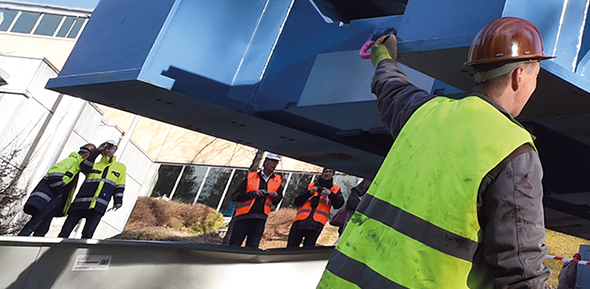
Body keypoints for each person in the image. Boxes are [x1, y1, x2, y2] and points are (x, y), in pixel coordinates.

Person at [318, 17, 553, 289]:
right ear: (519, 76)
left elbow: (391, 89)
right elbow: (520, 268)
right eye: (536, 77)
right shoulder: (514, 150)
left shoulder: (425, 112)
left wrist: (383, 58)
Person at [18, 144, 94, 236]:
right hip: (51, 197)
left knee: (44, 225)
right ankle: (22, 238)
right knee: (37, 220)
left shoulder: (76, 167)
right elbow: (54, 176)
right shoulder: (71, 161)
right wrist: (59, 192)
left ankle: (36, 243)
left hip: (55, 199)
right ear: (86, 155)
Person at [59, 140, 128, 238]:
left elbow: (119, 186)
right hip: (80, 204)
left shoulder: (120, 167)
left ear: (115, 150)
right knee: (65, 231)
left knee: (88, 234)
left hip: (98, 206)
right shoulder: (94, 165)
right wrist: (96, 152)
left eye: (110, 148)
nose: (107, 150)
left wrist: (118, 201)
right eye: (106, 148)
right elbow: (84, 168)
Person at [225, 152, 285, 249]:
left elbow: (277, 201)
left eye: (276, 163)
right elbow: (235, 196)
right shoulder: (251, 177)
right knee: (234, 246)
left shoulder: (278, 181)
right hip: (243, 218)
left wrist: (274, 196)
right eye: (273, 162)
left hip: (260, 220)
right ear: (265, 162)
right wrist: (253, 194)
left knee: (252, 249)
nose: (274, 165)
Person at [287, 168, 345, 248]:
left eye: (330, 172)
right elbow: (297, 202)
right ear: (322, 173)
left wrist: (330, 194)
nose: (327, 174)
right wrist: (309, 193)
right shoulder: (311, 186)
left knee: (308, 250)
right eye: (325, 171)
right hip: (300, 221)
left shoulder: (335, 189)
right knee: (291, 248)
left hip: (316, 224)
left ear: (333, 174)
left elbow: (338, 205)